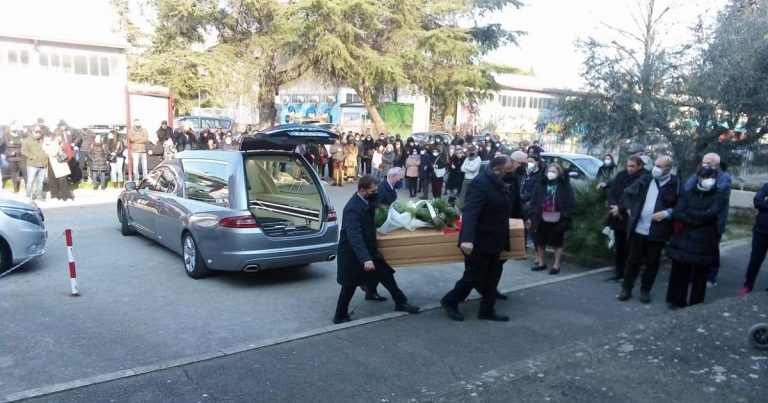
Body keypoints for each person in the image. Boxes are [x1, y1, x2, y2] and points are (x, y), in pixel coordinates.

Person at [440, 156, 523, 322]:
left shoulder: (502, 181)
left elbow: (513, 203)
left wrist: (523, 218)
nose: (511, 175)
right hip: (479, 240)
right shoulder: (480, 183)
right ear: (497, 170)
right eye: (508, 172)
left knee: (493, 275)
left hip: (496, 238)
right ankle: (451, 300)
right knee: (473, 276)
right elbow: (471, 212)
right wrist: (467, 239)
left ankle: (487, 310)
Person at [333, 175, 420, 324]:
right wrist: (365, 258)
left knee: (386, 275)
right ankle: (340, 316)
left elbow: (373, 203)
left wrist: (379, 206)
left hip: (369, 250)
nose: (376, 192)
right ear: (362, 190)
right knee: (349, 285)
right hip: (353, 254)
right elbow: (354, 236)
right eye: (373, 190)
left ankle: (400, 302)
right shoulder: (352, 209)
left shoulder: (365, 199)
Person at [618, 156, 679, 303]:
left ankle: (645, 291)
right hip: (638, 228)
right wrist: (628, 208)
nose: (655, 169)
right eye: (655, 165)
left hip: (657, 231)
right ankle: (626, 288)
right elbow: (628, 192)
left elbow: (681, 206)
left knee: (652, 263)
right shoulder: (646, 179)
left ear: (668, 169)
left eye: (660, 166)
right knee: (632, 261)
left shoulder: (675, 184)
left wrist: (667, 213)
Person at [665, 166, 727, 308]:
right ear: (699, 178)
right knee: (680, 272)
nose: (709, 180)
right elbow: (678, 212)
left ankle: (696, 304)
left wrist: (691, 215)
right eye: (706, 177)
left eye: (712, 177)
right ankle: (676, 301)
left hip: (705, 241)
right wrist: (697, 220)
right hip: (684, 240)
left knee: (700, 275)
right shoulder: (689, 193)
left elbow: (712, 214)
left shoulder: (719, 195)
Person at [682, 152, 731, 288]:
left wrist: (699, 191)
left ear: (717, 164)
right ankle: (693, 275)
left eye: (709, 163)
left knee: (712, 249)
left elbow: (716, 192)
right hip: (698, 217)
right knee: (696, 247)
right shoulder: (698, 173)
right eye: (704, 162)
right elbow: (687, 189)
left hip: (716, 220)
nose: (705, 165)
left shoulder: (724, 177)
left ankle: (711, 277)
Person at [599, 155, 647, 282]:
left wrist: (621, 209)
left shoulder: (645, 178)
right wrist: (614, 208)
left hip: (632, 218)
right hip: (617, 217)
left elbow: (639, 199)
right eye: (628, 166)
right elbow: (612, 193)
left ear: (640, 166)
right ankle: (618, 272)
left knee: (632, 248)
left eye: (633, 166)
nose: (629, 169)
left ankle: (629, 274)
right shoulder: (621, 175)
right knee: (620, 247)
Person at [527, 163, 575, 275]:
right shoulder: (541, 184)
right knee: (540, 240)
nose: (551, 173)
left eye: (554, 172)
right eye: (549, 171)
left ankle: (556, 265)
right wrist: (532, 213)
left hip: (558, 217)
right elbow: (534, 200)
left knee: (557, 242)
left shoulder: (565, 186)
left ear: (559, 173)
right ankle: (542, 263)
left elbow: (570, 202)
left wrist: (564, 215)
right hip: (541, 216)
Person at [738, 181, 768, 296]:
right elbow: (757, 201)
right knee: (755, 259)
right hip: (761, 230)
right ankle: (748, 285)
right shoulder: (766, 186)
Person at [43, 130, 73, 200]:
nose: (58, 138)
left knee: (63, 181)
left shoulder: (63, 144)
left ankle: (66, 196)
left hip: (60, 164)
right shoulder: (51, 143)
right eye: (57, 137)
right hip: (52, 164)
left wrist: (46, 149)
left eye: (59, 136)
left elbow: (53, 153)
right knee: (53, 181)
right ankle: (55, 196)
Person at [20, 127, 47, 201]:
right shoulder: (26, 141)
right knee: (30, 181)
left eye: (40, 132)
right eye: (36, 132)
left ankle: (39, 195)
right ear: (32, 132)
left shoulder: (43, 139)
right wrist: (32, 157)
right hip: (32, 164)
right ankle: (28, 196)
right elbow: (23, 151)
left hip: (43, 164)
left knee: (40, 181)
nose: (39, 133)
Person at [3, 123, 26, 193]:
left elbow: (23, 143)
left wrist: (13, 142)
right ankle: (15, 188)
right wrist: (19, 142)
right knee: (13, 172)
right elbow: (8, 144)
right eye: (13, 126)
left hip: (20, 156)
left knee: (25, 172)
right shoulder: (6, 135)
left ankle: (27, 188)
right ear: (10, 127)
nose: (14, 128)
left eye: (15, 126)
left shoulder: (20, 134)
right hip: (11, 156)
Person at [459, 145, 481, 210]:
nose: (470, 152)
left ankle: (470, 208)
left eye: (472, 151)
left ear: (475, 151)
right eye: (469, 151)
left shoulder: (478, 159)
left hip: (473, 179)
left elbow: (473, 169)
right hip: (466, 179)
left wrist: (466, 167)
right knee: (463, 195)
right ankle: (461, 207)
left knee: (472, 194)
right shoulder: (467, 158)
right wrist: (468, 168)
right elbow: (461, 169)